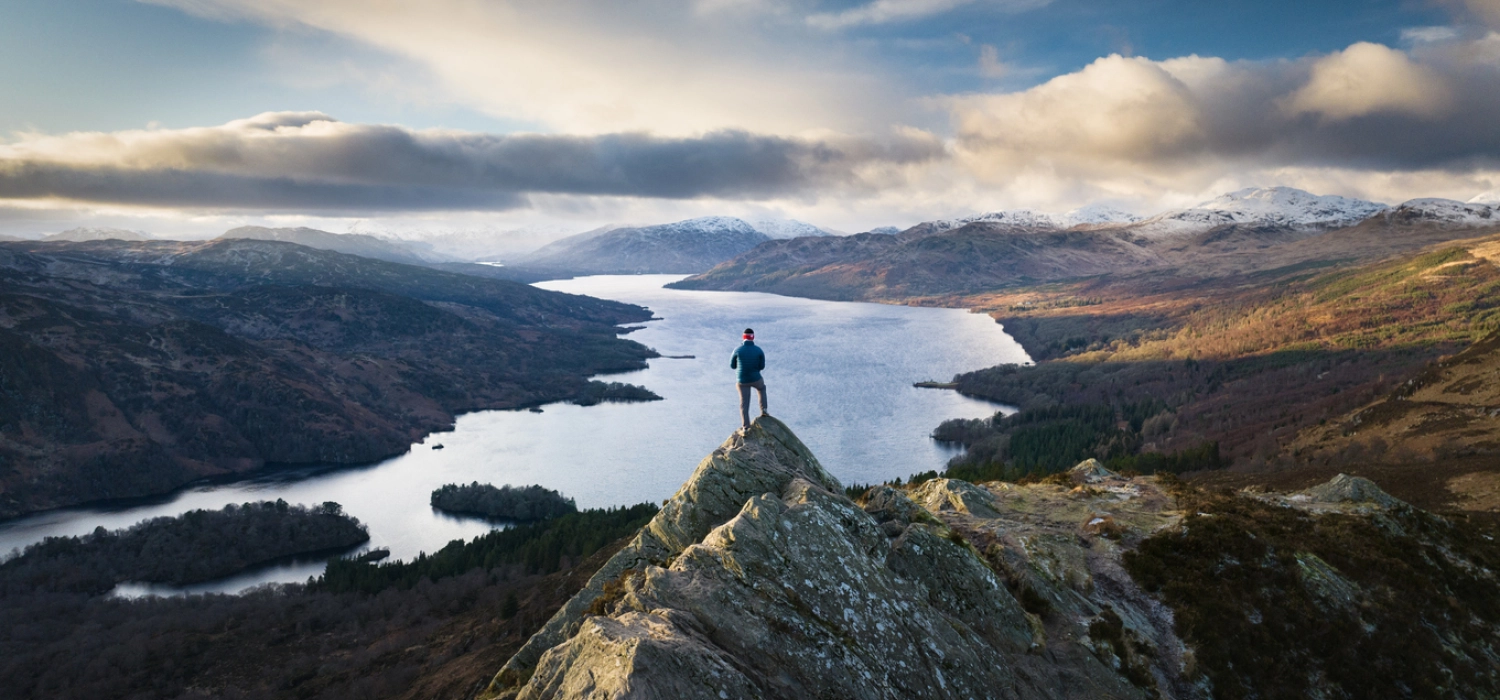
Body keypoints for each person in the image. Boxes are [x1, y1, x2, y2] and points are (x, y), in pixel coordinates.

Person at [731, 327, 767, 430]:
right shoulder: (759, 350)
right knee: (762, 388)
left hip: (742, 380)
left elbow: (732, 366)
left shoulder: (737, 350)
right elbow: (762, 366)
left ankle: (746, 427)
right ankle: (764, 410)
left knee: (744, 403)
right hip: (755, 378)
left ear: (743, 337)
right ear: (753, 337)